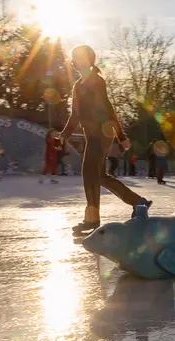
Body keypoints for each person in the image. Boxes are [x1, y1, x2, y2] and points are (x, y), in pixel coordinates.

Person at [56, 44, 152, 235]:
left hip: (102, 133)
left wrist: (121, 136)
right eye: (75, 58)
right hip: (91, 135)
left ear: (90, 60)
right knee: (99, 176)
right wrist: (63, 136)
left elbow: (107, 109)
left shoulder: (97, 82)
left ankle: (92, 219)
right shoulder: (77, 86)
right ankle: (138, 202)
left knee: (89, 173)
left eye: (81, 58)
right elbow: (74, 116)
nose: (77, 61)